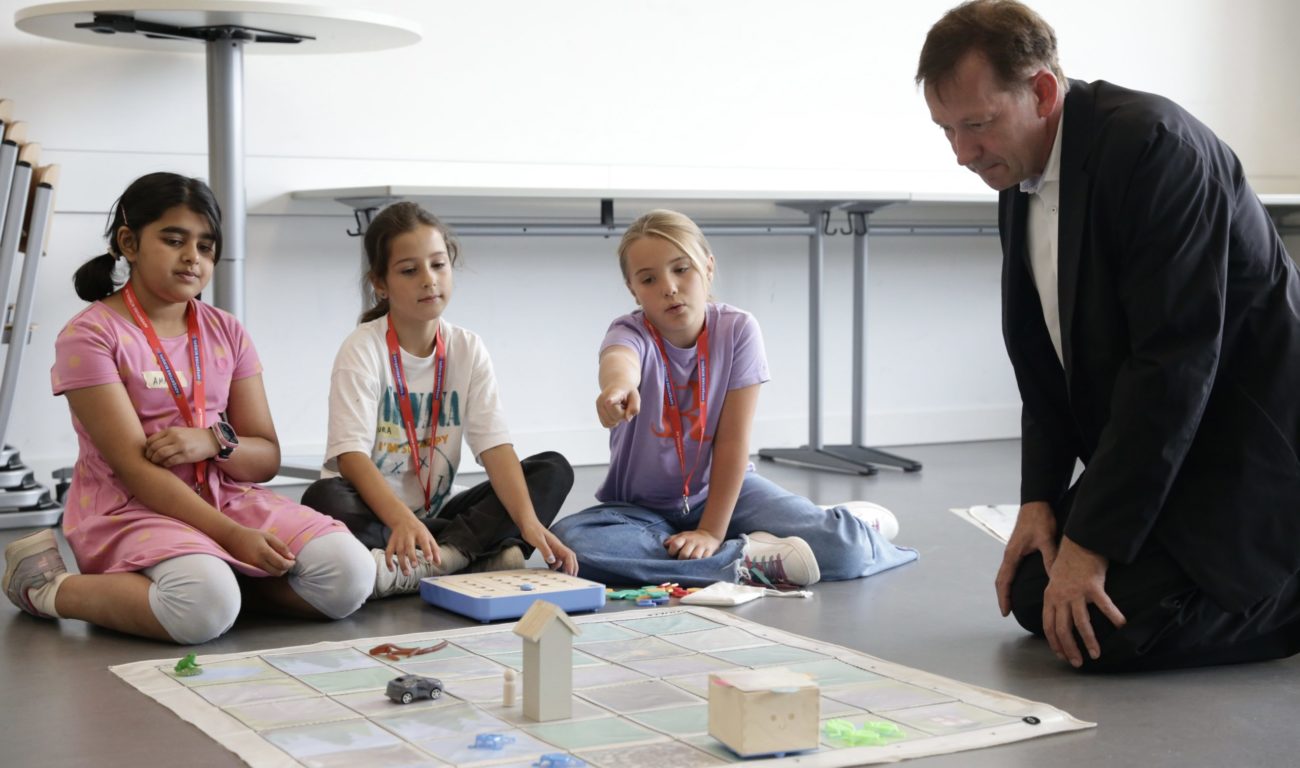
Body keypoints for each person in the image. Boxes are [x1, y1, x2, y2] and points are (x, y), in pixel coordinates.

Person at [918, 0, 1300, 671]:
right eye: (946, 130)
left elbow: (1173, 365)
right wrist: (1039, 500)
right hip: (1165, 437)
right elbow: (1039, 356)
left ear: (1040, 90)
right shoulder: (1017, 165)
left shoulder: (1156, 149)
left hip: (1242, 443)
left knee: (1113, 630)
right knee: (1040, 596)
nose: (961, 153)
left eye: (975, 125)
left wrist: (1090, 545)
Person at [1, 172, 374, 644]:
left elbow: (265, 458)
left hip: (224, 496)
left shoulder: (227, 331)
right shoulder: (90, 336)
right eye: (174, 240)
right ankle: (45, 587)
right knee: (202, 606)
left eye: (205, 246)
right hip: (131, 509)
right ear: (129, 243)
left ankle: (219, 585)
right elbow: (136, 472)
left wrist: (214, 441)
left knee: (351, 574)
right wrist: (234, 538)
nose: (191, 258)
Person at [550, 209, 917, 588]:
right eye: (648, 278)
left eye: (682, 269)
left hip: (729, 495)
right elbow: (619, 359)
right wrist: (618, 388)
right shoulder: (629, 331)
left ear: (708, 267)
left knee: (847, 550)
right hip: (641, 512)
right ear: (633, 290)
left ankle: (843, 527)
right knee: (572, 544)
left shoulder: (738, 329)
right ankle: (750, 557)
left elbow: (733, 442)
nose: (669, 287)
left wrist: (710, 531)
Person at [301, 202, 577, 599]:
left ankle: (440, 559)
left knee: (552, 470)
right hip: (375, 514)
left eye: (438, 265)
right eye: (409, 271)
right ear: (380, 283)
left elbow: (494, 446)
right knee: (323, 499)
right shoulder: (363, 348)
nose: (428, 280)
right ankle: (474, 553)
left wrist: (529, 523)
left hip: (435, 515)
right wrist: (400, 520)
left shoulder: (467, 347)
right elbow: (350, 457)